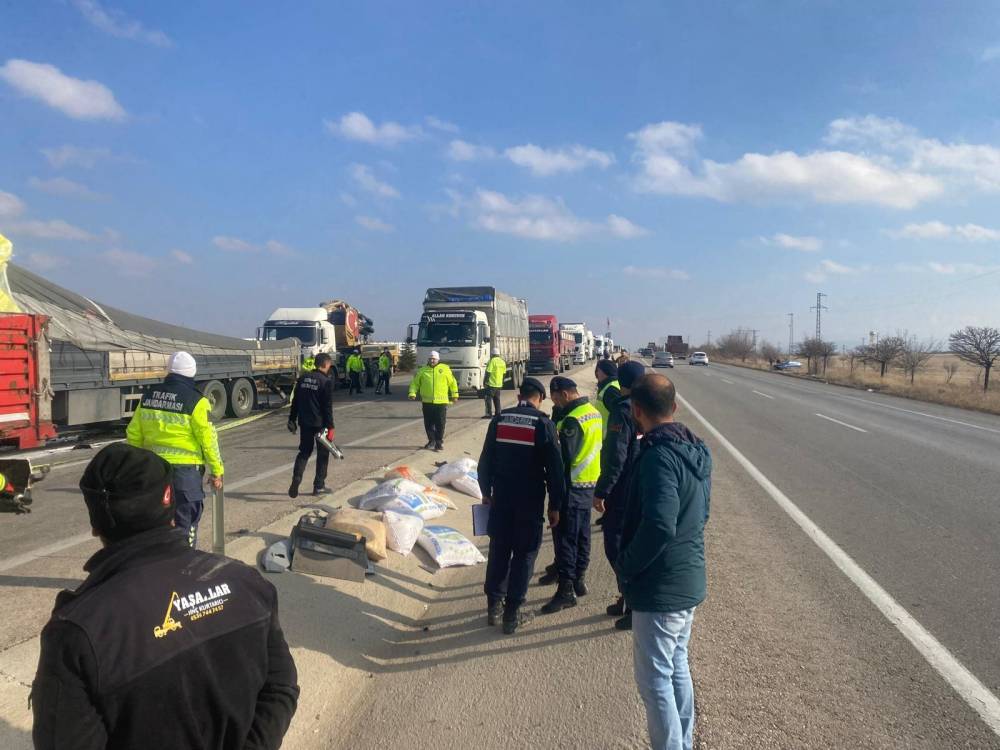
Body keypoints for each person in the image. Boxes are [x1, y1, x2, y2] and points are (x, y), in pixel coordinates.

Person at [31, 443, 299, 750]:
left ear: (95, 525)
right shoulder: (245, 581)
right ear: (169, 499)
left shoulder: (77, 632)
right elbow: (281, 686)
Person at [617, 374, 711, 750]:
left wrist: (626, 564)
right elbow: (701, 513)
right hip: (687, 575)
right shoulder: (697, 449)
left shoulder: (658, 457)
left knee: (655, 678)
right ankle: (682, 743)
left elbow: (659, 524)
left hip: (660, 586)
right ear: (674, 407)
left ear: (637, 411)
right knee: (675, 667)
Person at [478, 377, 565, 634]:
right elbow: (555, 470)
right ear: (540, 398)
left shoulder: (500, 420)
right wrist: (556, 505)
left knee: (499, 550)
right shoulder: (543, 424)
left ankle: (494, 605)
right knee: (525, 554)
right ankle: (512, 614)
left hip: (501, 498)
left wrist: (486, 492)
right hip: (530, 501)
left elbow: (485, 461)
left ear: (519, 396)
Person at [126, 351, 223, 548]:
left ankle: (156, 569)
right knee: (185, 524)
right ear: (192, 373)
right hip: (184, 475)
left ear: (168, 371)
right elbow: (208, 439)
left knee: (155, 526)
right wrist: (217, 471)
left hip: (153, 472)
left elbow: (133, 434)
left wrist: (137, 467)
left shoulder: (148, 396)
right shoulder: (196, 401)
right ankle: (183, 571)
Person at [540, 376, 602, 614]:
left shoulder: (572, 421)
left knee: (565, 539)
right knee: (582, 535)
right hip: (589, 484)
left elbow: (562, 463)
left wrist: (555, 499)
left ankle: (566, 591)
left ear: (564, 394)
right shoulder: (592, 412)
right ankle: (579, 579)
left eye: (556, 399)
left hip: (571, 487)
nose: (555, 404)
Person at [594, 360, 645, 631]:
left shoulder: (622, 411)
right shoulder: (647, 408)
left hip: (624, 487)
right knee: (630, 543)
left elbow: (616, 456)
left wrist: (602, 491)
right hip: (642, 484)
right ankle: (627, 599)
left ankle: (635, 604)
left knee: (616, 547)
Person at [287, 352, 336, 498]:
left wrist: (292, 419)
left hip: (305, 422)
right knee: (323, 454)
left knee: (304, 452)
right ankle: (319, 486)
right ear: (326, 364)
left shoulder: (302, 379)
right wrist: (331, 426)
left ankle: (297, 478)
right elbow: (327, 407)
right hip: (321, 424)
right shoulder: (325, 381)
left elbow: (295, 401)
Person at [408, 350, 458, 451]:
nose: (432, 360)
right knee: (428, 423)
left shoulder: (445, 369)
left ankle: (439, 442)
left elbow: (452, 383)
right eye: (430, 359)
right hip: (427, 402)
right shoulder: (423, 370)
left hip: (441, 402)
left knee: (440, 423)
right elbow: (415, 383)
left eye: (434, 359)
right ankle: (431, 441)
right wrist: (412, 393)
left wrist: (455, 395)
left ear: (438, 359)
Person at [594, 359, 621, 437]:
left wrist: (613, 436)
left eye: (598, 371)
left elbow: (619, 418)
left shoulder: (611, 390)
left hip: (608, 439)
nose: (596, 374)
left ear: (604, 372)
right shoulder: (609, 385)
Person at [483, 347, 506, 418]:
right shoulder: (502, 362)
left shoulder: (492, 361)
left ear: (492, 354)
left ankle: (488, 414)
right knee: (497, 399)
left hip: (491, 384)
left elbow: (488, 372)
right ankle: (498, 413)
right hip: (499, 384)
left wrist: (485, 382)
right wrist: (502, 382)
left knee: (488, 398)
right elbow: (504, 373)